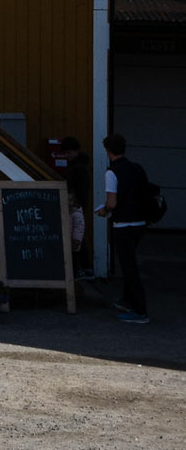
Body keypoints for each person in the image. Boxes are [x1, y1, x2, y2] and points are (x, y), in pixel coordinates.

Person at [95, 132, 151, 324]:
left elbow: (112, 202)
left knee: (129, 269)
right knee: (130, 264)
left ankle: (140, 310)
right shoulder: (137, 169)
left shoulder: (112, 172)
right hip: (140, 223)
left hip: (123, 224)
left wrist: (103, 211)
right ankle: (128, 300)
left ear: (108, 151)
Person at [58, 137, 94, 276]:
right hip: (77, 204)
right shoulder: (79, 166)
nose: (66, 156)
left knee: (75, 236)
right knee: (77, 235)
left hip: (75, 205)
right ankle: (83, 267)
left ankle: (79, 268)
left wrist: (75, 201)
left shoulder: (77, 168)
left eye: (68, 153)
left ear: (75, 151)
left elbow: (81, 189)